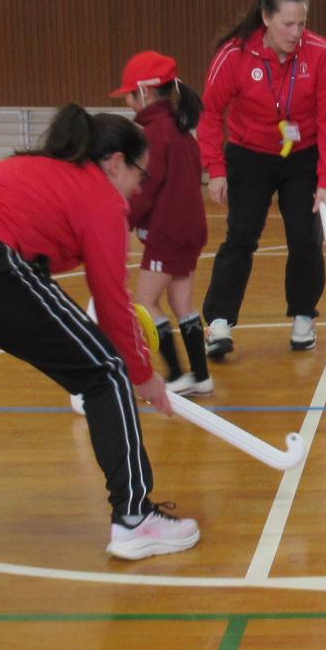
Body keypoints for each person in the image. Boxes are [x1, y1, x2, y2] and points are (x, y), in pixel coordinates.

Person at [0, 104, 197, 562]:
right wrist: (142, 375)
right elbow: (112, 301)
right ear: (115, 163)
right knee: (106, 371)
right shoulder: (102, 197)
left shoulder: (35, 167)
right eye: (140, 176)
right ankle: (135, 519)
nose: (138, 188)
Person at [196, 0, 326, 359]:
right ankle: (219, 321)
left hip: (302, 155)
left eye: (302, 24)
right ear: (266, 18)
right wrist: (216, 168)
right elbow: (210, 114)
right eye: (288, 24)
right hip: (250, 154)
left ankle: (303, 315)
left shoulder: (320, 53)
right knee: (241, 236)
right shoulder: (234, 55)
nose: (296, 33)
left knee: (305, 237)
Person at [114, 50, 214, 395]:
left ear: (144, 92)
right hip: (190, 230)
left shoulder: (153, 134)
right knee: (182, 303)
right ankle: (201, 376)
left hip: (168, 234)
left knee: (143, 303)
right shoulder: (181, 128)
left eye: (129, 95)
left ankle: (176, 375)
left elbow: (144, 187)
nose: (128, 101)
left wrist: (121, 219)